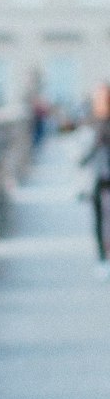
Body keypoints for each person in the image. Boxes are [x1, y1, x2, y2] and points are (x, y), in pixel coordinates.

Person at [82, 80, 110, 271]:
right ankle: (102, 258)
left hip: (101, 175)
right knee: (101, 218)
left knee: (101, 219)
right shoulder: (96, 124)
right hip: (100, 176)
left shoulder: (97, 124)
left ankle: (102, 258)